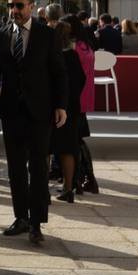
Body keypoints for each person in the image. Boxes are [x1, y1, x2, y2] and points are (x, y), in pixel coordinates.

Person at [0, 0, 67, 244]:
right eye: (11, 6)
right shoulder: (0, 35)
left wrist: (61, 105)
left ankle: (36, 223)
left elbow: (59, 72)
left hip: (40, 111)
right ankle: (20, 217)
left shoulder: (47, 35)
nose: (14, 11)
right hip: (11, 111)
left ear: (31, 6)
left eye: (19, 5)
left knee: (39, 167)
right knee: (16, 168)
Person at [49, 19, 89, 203]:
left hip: (52, 107)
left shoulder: (52, 56)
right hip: (72, 107)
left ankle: (42, 189)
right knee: (67, 149)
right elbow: (82, 79)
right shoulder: (72, 55)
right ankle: (68, 188)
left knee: (46, 149)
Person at [71, 23, 101, 194]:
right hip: (85, 96)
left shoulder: (75, 48)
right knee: (78, 138)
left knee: (74, 140)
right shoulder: (86, 46)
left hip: (76, 97)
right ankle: (86, 177)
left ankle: (82, 177)